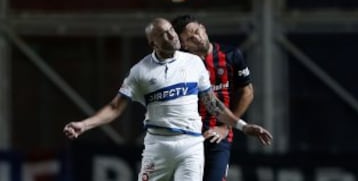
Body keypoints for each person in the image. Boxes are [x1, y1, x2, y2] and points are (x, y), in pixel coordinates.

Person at [63, 18, 272, 181]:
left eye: (171, 31)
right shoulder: (140, 71)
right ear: (152, 42)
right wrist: (84, 124)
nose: (171, 36)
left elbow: (212, 103)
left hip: (191, 145)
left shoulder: (193, 63)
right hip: (158, 146)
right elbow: (115, 107)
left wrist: (243, 127)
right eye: (163, 34)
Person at [171, 14, 254, 181]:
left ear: (203, 28)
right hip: (186, 137)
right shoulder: (179, 65)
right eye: (189, 38)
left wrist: (226, 126)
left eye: (196, 31)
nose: (196, 37)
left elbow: (247, 92)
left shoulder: (231, 55)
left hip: (218, 137)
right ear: (184, 45)